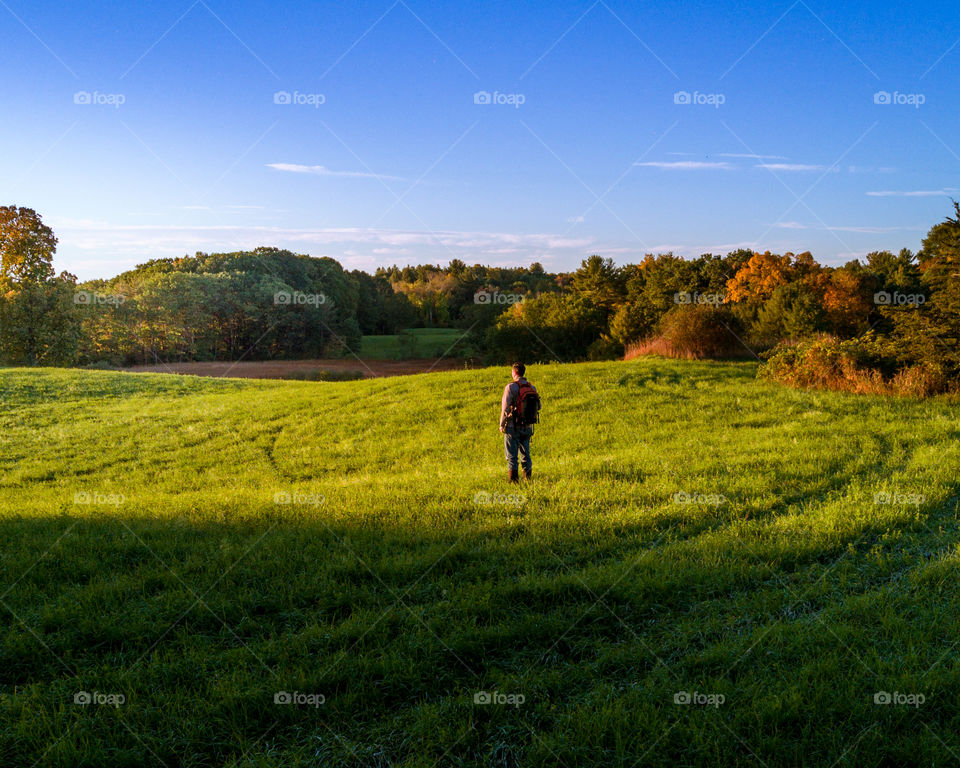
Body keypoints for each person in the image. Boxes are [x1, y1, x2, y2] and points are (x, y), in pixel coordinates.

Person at [499, 362, 539, 483]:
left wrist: (502, 424)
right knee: (526, 454)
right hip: (527, 426)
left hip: (512, 426)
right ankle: (528, 480)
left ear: (514, 372)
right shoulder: (532, 388)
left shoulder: (510, 387)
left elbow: (505, 408)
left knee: (512, 456)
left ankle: (514, 482)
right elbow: (539, 406)